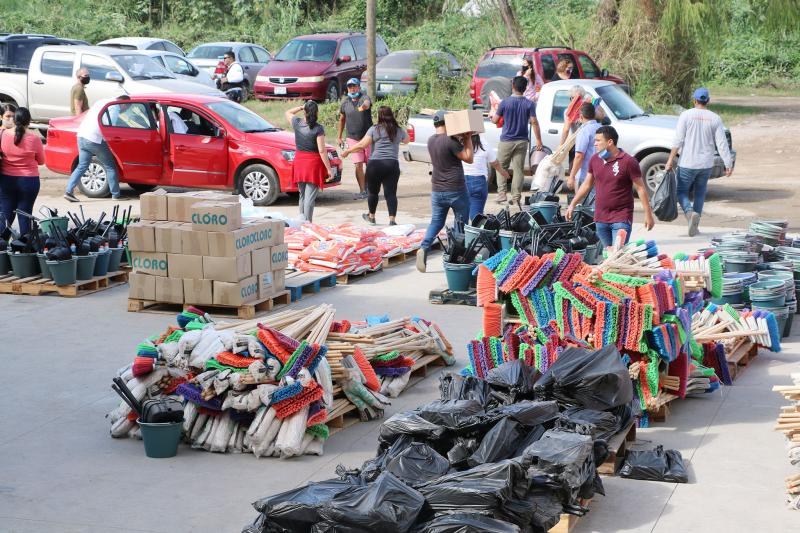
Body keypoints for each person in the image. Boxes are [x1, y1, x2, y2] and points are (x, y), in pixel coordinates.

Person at [566, 125, 655, 248]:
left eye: (598, 141)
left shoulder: (629, 161)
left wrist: (648, 214)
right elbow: (587, 184)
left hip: (621, 218)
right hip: (600, 219)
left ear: (610, 142)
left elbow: (640, 188)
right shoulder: (594, 160)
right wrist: (572, 204)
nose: (594, 144)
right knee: (608, 257)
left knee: (616, 256)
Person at [666, 87, 734, 237]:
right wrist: (728, 164)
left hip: (687, 163)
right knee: (700, 193)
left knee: (681, 192)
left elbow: (678, 139)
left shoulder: (686, 115)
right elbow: (721, 144)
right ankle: (695, 225)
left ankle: (690, 214)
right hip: (705, 164)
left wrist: (670, 160)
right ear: (708, 101)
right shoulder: (715, 118)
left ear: (694, 100)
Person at [416, 110, 474, 273]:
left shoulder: (430, 141)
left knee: (436, 222)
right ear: (447, 123)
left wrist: (460, 139)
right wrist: (468, 138)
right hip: (456, 189)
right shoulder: (451, 141)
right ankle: (457, 257)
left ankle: (424, 247)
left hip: (437, 190)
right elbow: (469, 158)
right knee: (460, 223)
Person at [341, 106, 408, 226]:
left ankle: (371, 217)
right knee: (391, 193)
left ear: (379, 116)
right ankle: (392, 220)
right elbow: (407, 140)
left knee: (373, 192)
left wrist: (348, 151)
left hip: (375, 165)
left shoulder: (374, 129)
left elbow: (362, 144)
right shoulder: (398, 130)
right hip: (392, 165)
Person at [64, 95, 130, 202]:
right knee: (110, 166)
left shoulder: (103, 100)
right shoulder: (115, 107)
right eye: (126, 108)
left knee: (82, 166)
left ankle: (68, 191)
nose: (124, 111)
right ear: (124, 104)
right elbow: (109, 127)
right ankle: (116, 195)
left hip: (81, 136)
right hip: (94, 139)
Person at [491, 76, 543, 207]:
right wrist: (538, 140)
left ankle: (502, 193)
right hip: (522, 141)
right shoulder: (530, 104)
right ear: (525, 88)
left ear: (513, 86)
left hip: (507, 140)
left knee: (501, 166)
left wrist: (492, 116)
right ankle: (516, 198)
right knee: (518, 169)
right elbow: (534, 122)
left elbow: (495, 120)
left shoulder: (504, 103)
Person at [285, 101, 333, 223]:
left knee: (302, 195)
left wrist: (301, 107)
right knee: (310, 197)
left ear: (305, 112)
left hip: (299, 162)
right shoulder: (318, 128)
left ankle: (302, 220)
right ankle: (308, 223)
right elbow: (322, 150)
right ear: (316, 113)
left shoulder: (297, 123)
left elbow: (288, 112)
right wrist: (328, 169)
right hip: (313, 164)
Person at [0, 107, 44, 235]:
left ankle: (2, 248)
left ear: (14, 119)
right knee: (25, 215)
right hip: (29, 181)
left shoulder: (2, 135)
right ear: (29, 121)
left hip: (6, 180)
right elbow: (41, 161)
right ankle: (25, 249)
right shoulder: (34, 139)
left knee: (5, 214)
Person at [337, 78, 372, 200]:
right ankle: (363, 191)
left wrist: (363, 107)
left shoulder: (364, 97)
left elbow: (367, 103)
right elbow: (342, 119)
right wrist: (339, 136)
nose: (352, 89)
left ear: (359, 87)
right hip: (352, 137)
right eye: (350, 87)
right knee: (358, 165)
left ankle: (369, 188)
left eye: (354, 86)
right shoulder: (345, 102)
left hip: (368, 137)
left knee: (370, 164)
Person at [462, 133, 508, 223]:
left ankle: (460, 235)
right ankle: (477, 234)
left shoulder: (460, 143)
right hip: (478, 181)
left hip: (461, 181)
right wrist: (503, 172)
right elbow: (494, 162)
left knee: (461, 215)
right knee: (476, 216)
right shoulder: (484, 143)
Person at [566, 102, 602, 193]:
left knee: (582, 206)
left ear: (581, 116)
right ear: (594, 115)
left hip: (585, 176)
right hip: (600, 174)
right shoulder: (602, 128)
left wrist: (571, 176)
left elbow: (579, 156)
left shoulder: (584, 131)